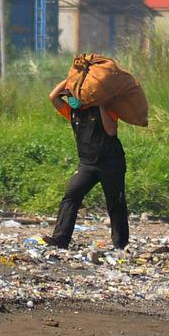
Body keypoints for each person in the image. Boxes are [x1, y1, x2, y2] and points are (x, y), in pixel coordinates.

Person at [44, 82, 129, 250]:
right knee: (71, 195)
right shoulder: (73, 112)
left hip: (111, 163)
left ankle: (120, 244)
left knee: (115, 202)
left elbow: (111, 131)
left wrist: (100, 104)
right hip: (87, 164)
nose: (72, 99)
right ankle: (61, 238)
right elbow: (53, 97)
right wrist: (70, 80)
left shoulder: (105, 109)